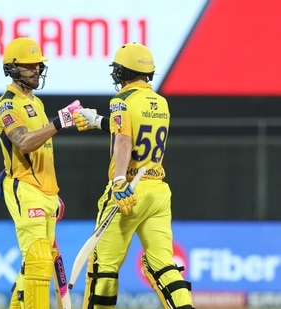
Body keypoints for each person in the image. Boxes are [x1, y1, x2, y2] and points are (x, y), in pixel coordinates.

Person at [74, 42, 195, 309]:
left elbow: (125, 140)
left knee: (103, 268)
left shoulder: (121, 100)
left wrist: (118, 181)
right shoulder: (161, 102)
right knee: (164, 265)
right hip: (158, 190)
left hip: (128, 189)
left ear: (123, 72)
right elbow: (134, 129)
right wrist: (97, 121)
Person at [0, 36, 88, 309]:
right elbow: (23, 142)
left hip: (45, 192)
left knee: (36, 263)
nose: (36, 70)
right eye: (28, 66)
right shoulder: (7, 105)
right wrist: (61, 121)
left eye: (38, 65)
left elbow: (44, 147)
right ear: (12, 68)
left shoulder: (37, 102)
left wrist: (52, 194)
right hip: (24, 186)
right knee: (37, 261)